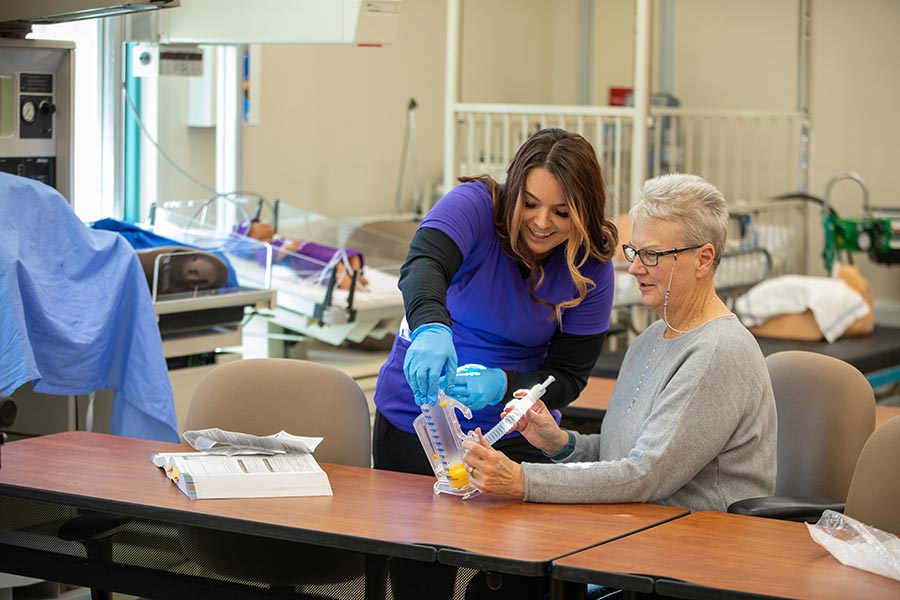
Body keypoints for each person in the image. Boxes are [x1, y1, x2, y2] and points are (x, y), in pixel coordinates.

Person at [372, 128, 618, 599]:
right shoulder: (474, 207)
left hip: (515, 437)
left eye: (562, 212)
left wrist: (504, 384)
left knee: (518, 579)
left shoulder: (591, 267)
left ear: (584, 212)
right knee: (421, 574)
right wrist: (430, 327)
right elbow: (424, 264)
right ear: (512, 191)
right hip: (418, 426)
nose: (542, 222)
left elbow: (567, 377)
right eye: (529, 203)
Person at [462, 173, 777, 516]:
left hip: (698, 544)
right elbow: (620, 455)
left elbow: (645, 476)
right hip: (638, 528)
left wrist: (522, 480)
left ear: (703, 258)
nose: (635, 267)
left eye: (652, 255)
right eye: (634, 251)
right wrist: (558, 442)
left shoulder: (719, 351)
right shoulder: (649, 341)